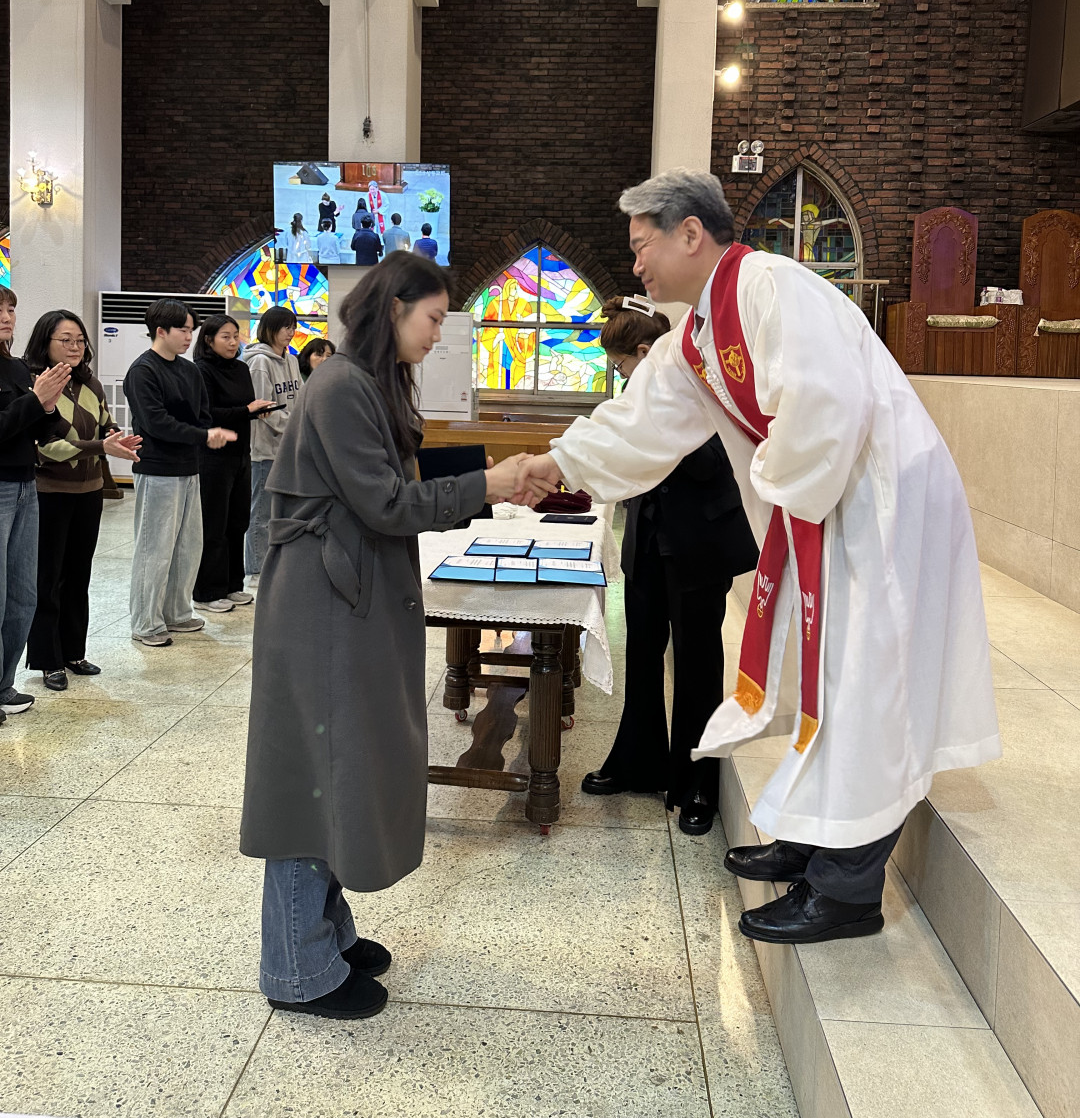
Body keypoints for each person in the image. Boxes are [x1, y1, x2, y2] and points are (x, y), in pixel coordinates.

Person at [512, 169, 1001, 946]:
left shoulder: (774, 288)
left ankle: (846, 890)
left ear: (690, 234)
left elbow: (828, 405)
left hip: (878, 507)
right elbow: (641, 423)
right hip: (826, 508)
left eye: (640, 246)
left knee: (863, 684)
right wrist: (558, 463)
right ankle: (811, 838)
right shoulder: (700, 333)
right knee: (825, 677)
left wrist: (775, 488)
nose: (634, 265)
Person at [239, 252, 555, 1019]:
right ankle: (295, 970)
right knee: (312, 775)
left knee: (339, 768)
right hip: (322, 604)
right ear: (393, 308)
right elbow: (385, 502)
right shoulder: (341, 383)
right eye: (433, 318)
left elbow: (393, 477)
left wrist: (492, 473)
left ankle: (326, 934)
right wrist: (489, 483)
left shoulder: (369, 382)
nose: (438, 333)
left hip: (345, 593)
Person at [581, 297, 758, 835]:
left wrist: (657, 432)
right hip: (650, 536)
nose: (620, 376)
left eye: (621, 365)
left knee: (697, 661)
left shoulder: (703, 383)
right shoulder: (641, 393)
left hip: (699, 538)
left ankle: (697, 781)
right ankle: (637, 761)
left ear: (644, 351)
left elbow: (714, 461)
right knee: (641, 651)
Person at [24, 311, 142, 689]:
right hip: (49, 493)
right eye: (66, 340)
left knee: (79, 574)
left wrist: (116, 438)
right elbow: (46, 447)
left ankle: (74, 651)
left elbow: (105, 422)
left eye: (79, 340)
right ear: (45, 343)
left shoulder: (89, 382)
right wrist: (101, 447)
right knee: (49, 578)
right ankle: (48, 659)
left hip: (89, 491)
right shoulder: (36, 384)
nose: (75, 347)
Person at [123, 300, 237, 646]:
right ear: (161, 331)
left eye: (191, 330)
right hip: (157, 469)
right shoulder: (143, 371)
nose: (190, 337)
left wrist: (203, 433)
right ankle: (146, 622)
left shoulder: (189, 371)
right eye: (183, 330)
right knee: (154, 548)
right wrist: (202, 435)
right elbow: (156, 423)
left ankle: (176, 612)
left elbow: (202, 416)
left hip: (190, 467)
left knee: (187, 546)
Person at [0, 288, 70, 719]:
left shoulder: (15, 366)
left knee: (23, 595)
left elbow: (41, 430)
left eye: (10, 309)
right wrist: (35, 400)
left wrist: (48, 406)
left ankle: (3, 684)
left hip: (27, 485)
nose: (7, 316)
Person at [193, 315, 276, 614]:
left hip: (241, 453)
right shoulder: (201, 370)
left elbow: (243, 408)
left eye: (235, 336)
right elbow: (207, 414)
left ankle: (231, 585)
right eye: (225, 337)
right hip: (213, 457)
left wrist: (256, 411)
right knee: (214, 524)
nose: (232, 342)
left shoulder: (241, 368)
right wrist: (245, 410)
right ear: (209, 340)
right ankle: (207, 592)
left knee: (238, 521)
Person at [243, 307, 302, 580]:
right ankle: (257, 569)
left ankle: (277, 564)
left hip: (289, 447)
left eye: (293, 327)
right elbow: (263, 408)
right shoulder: (258, 362)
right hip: (264, 448)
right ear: (270, 328)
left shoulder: (291, 360)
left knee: (284, 511)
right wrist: (293, 426)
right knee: (261, 512)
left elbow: (299, 397)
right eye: (286, 327)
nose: (291, 332)